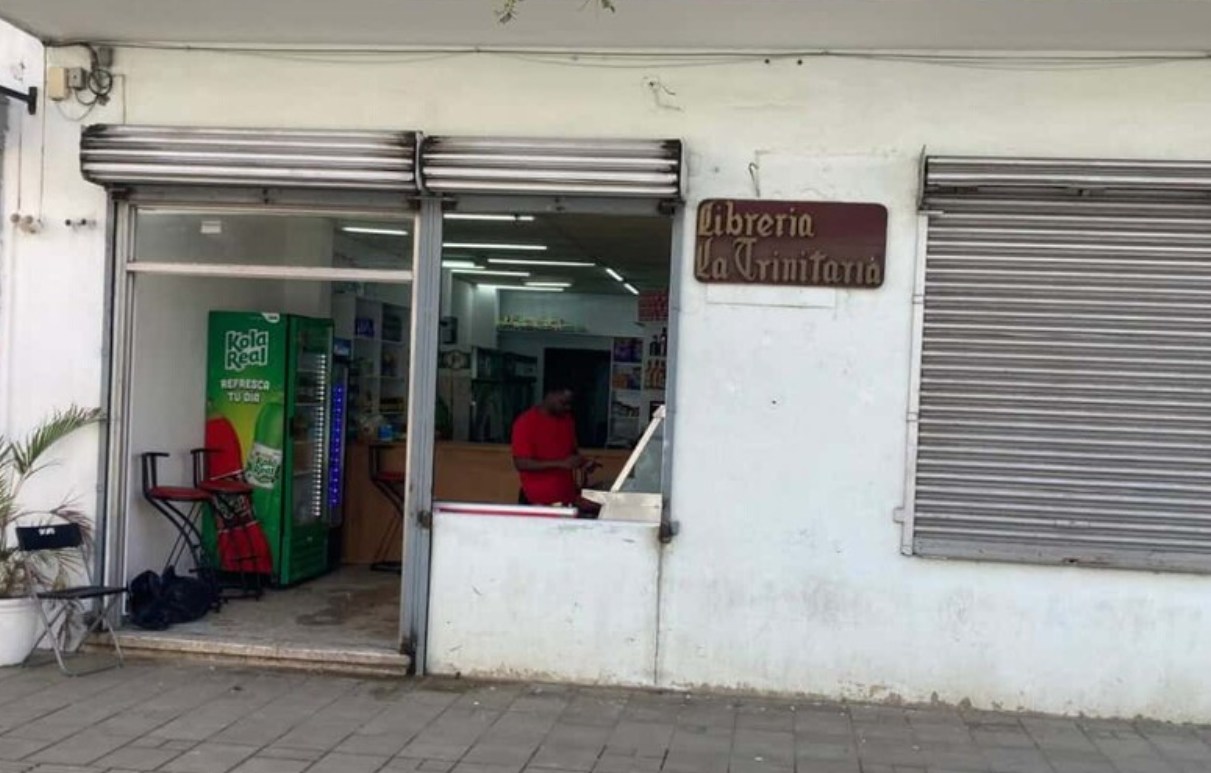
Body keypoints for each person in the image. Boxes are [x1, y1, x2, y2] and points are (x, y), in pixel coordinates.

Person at [511, 385, 601, 517]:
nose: (567, 408)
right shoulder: (526, 422)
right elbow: (521, 463)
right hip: (538, 500)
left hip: (566, 496)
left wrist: (583, 463)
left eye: (570, 404)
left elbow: (571, 452)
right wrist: (561, 463)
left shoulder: (567, 420)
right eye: (563, 403)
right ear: (550, 396)